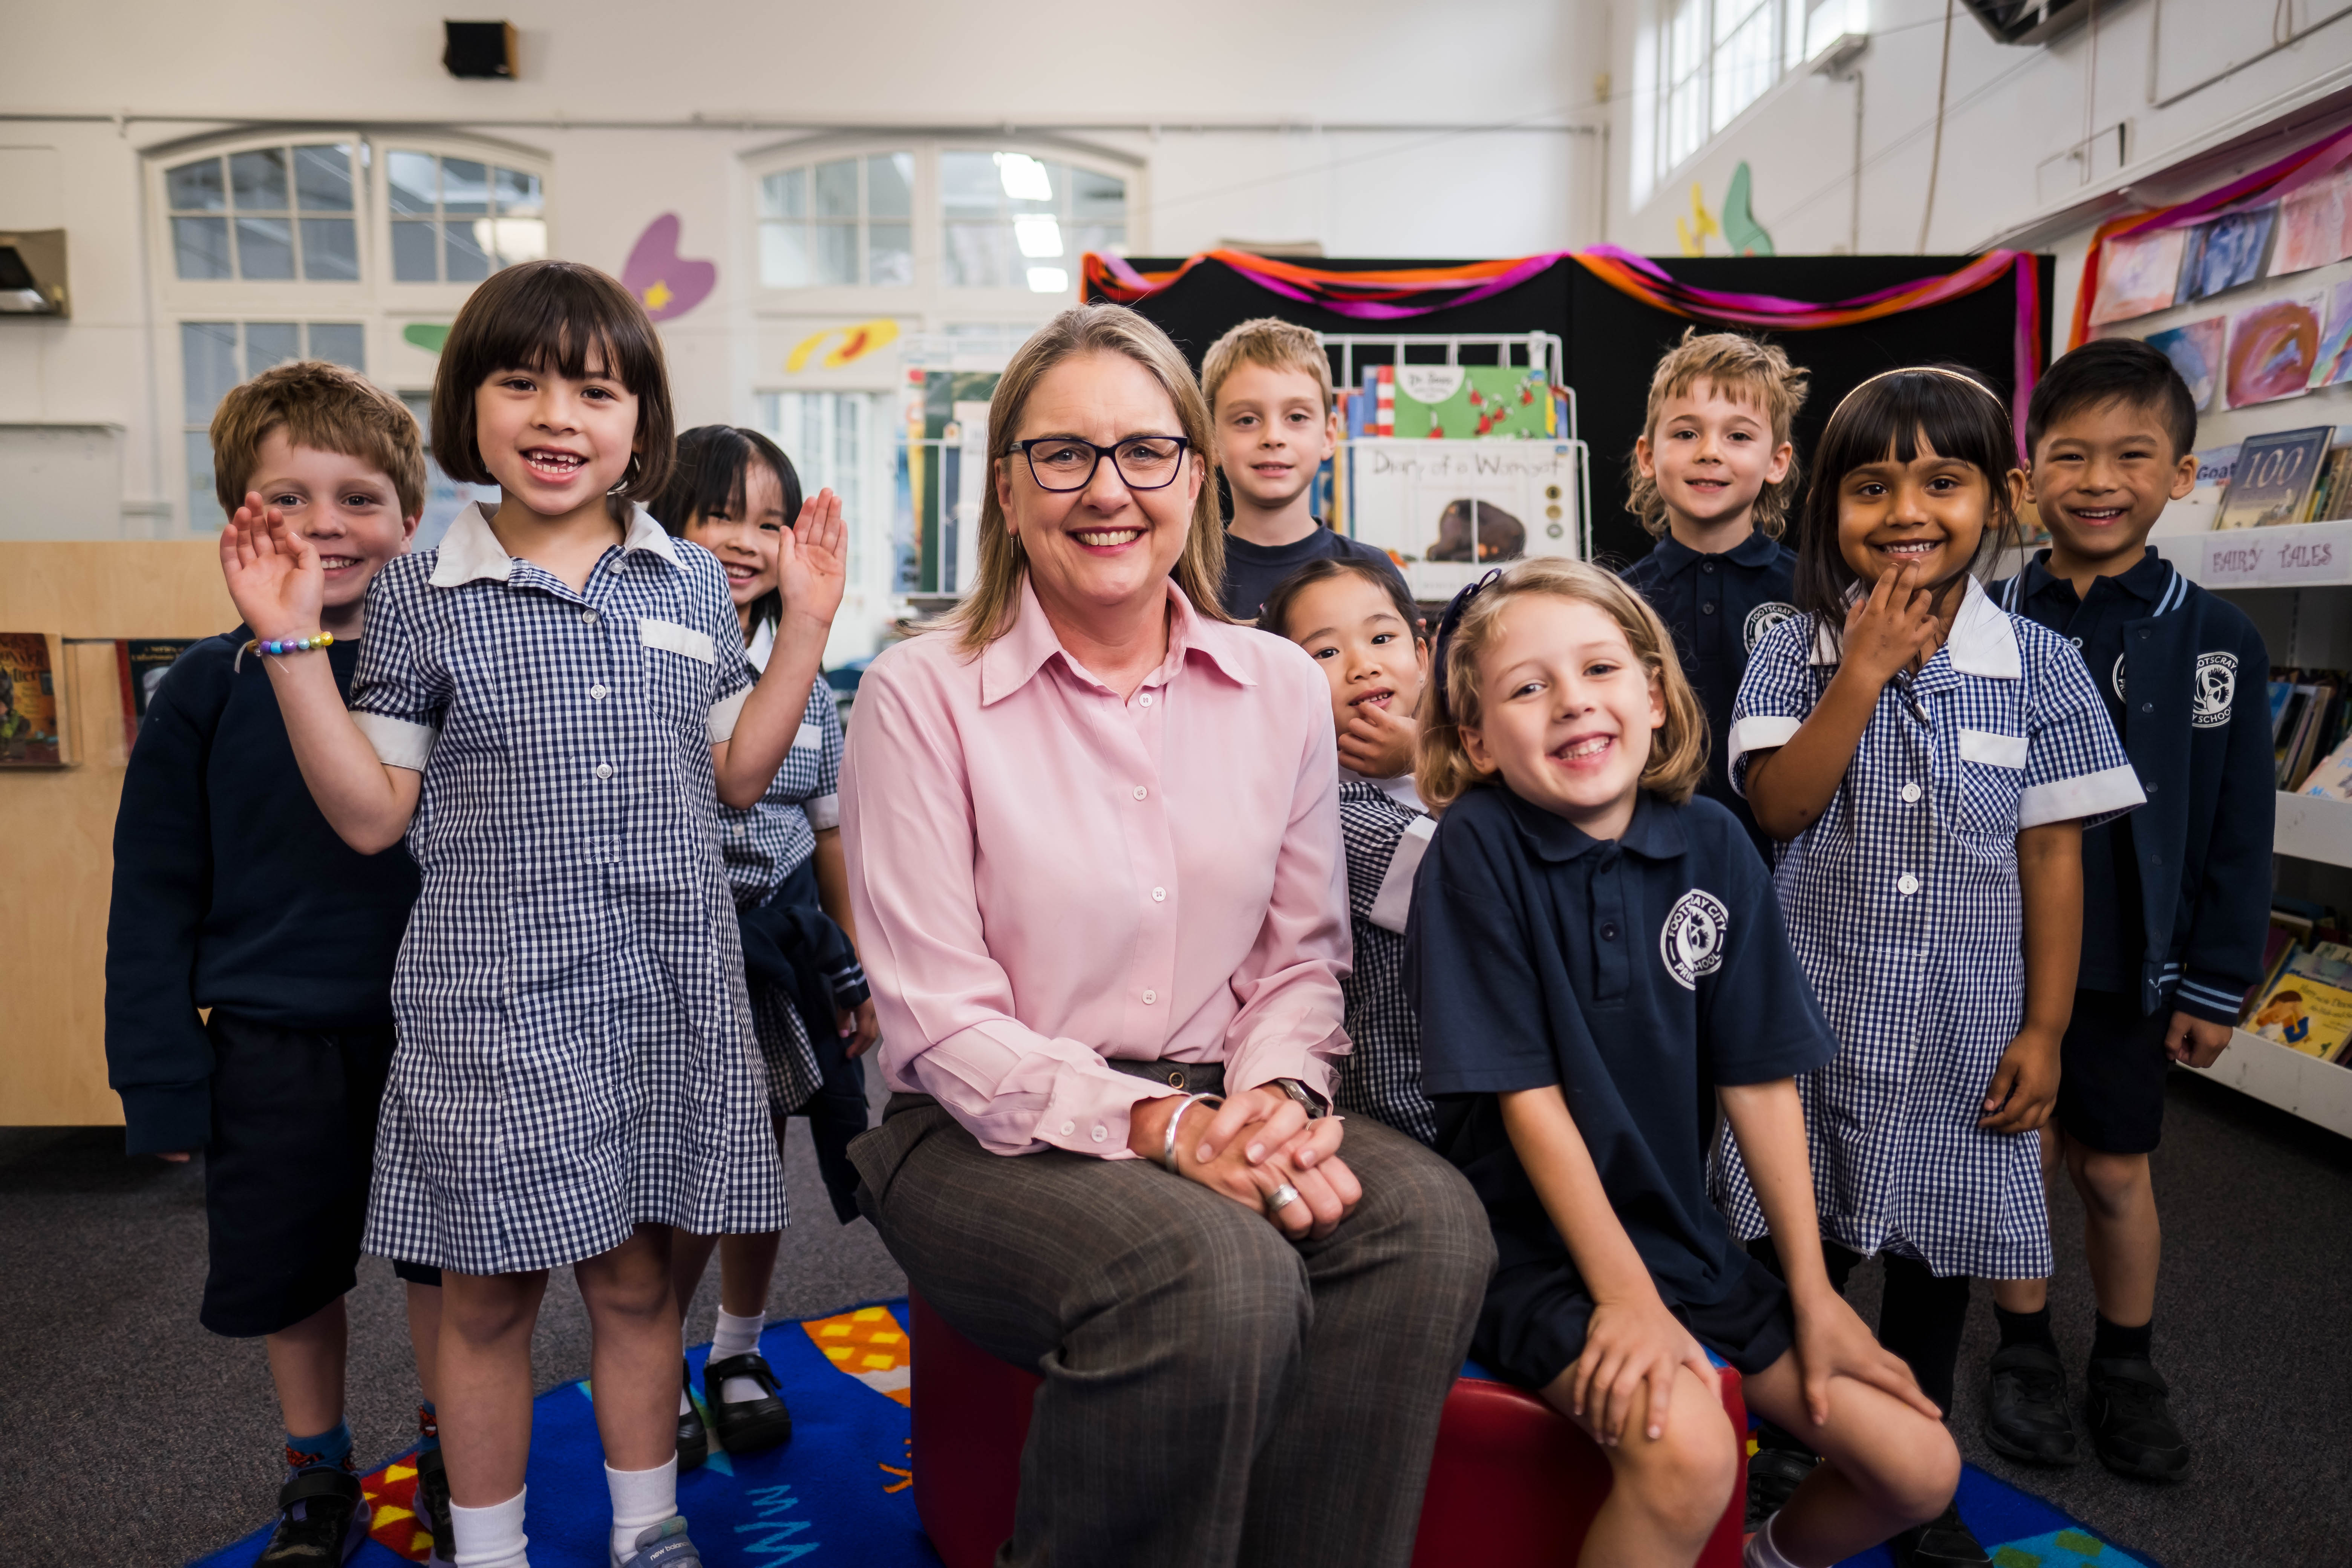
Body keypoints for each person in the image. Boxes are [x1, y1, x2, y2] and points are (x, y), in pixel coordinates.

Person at [841, 303, 1494, 1568]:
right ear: (1008, 484)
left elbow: (1302, 958)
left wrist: (1273, 1100)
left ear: (1192, 478)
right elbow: (939, 1019)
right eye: (1065, 454)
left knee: (1428, 1226)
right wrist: (1166, 1130)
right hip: (986, 1129)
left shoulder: (1279, 688)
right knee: (1217, 1275)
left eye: (1146, 452)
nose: (1110, 490)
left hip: (1223, 1093)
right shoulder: (923, 693)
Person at [211, 260, 842, 1568]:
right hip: (495, 1006)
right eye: (522, 382)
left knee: (634, 1286)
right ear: (469, 407)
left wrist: (806, 633)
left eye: (595, 390)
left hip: (668, 990)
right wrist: (285, 645)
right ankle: (490, 1550)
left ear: (639, 423)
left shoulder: (680, 586)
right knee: (488, 1300)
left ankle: (646, 1528)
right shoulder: (418, 597)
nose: (559, 415)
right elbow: (373, 813)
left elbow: (740, 775)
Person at [1407, 558, 1957, 1568]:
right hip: (1530, 1256)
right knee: (1693, 1456)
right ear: (1477, 740)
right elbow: (1527, 1099)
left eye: (1601, 670)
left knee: (1920, 1469)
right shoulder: (1475, 847)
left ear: (1655, 697)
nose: (1573, 701)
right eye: (1529, 687)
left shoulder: (1715, 841)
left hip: (1685, 1243)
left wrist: (1812, 1291)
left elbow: (1759, 1077)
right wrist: (1623, 1297)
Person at [1721, 367, 2145, 1568]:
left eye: (1942, 480)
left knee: (1928, 1271)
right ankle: (1786, 1445)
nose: (1906, 510)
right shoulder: (1786, 649)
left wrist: (2048, 1029)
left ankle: (1917, 1468)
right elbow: (1778, 806)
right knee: (1786, 1253)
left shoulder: (2042, 668)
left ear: (1999, 495)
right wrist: (1857, 674)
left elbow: (2052, 862)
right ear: (1825, 507)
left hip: (1963, 1032)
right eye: (1871, 485)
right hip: (1806, 1027)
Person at [106, 361, 449, 1568]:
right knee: (292, 1271)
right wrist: (160, 1072)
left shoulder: (448, 672)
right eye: (286, 500)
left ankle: (452, 1436)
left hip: (444, 1031)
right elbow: (150, 891)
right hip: (271, 1037)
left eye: (359, 498)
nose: (324, 528)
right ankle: (318, 1466)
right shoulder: (206, 685)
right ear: (237, 519)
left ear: (412, 518)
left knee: (452, 1261)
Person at [1980, 338, 2273, 1481]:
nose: (2099, 479)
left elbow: (2237, 826)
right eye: (2070, 456)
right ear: (2027, 481)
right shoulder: (1986, 626)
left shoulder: (2220, 641)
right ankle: (2019, 1352)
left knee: (2113, 1168)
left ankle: (2127, 1363)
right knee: (2017, 1159)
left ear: (2182, 475)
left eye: (2131, 456)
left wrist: (2214, 979)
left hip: (2132, 971)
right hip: (1999, 959)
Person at [649, 424, 876, 1467]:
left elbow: (831, 837)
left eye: (770, 522)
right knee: (682, 1172)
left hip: (786, 952)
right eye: (720, 513)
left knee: (765, 1161)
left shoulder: (805, 684)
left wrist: (856, 969)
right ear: (663, 522)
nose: (745, 540)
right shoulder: (640, 667)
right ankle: (652, 1364)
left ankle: (738, 1350)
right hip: (674, 954)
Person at [1260, 557, 1438, 1143]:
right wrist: (1432, 761)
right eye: (1326, 654)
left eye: (1382, 638)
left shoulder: (1460, 774)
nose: (1364, 666)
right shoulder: (1333, 812)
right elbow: (1492, 881)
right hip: (1411, 1103)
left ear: (1423, 656)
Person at [1619, 329, 1808, 862]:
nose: (1709, 453)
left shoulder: (1817, 595)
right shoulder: (1612, 603)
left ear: (1777, 461)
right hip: (1647, 863)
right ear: (1647, 456)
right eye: (1685, 433)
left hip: (1788, 875)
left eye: (1738, 437)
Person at [1205, 315, 1410, 622]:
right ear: (1211, 439)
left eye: (1297, 417)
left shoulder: (1373, 571)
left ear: (1329, 436)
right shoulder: (1188, 572)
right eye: (1247, 420)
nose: (1273, 437)